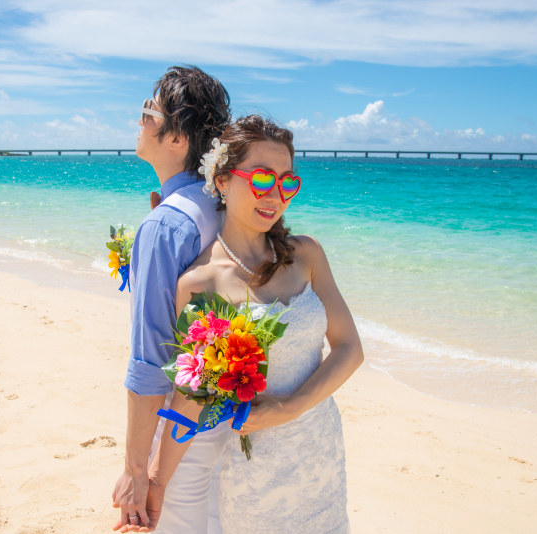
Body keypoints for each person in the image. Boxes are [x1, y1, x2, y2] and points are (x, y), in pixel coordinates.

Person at [150, 115, 364, 533]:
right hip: (253, 465)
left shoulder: (307, 254)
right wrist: (151, 479)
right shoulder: (199, 283)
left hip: (319, 444)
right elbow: (192, 395)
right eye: (263, 178)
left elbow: (349, 349)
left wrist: (292, 407)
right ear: (223, 180)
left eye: (288, 183)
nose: (276, 195)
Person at [111, 65, 231, 533]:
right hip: (222, 411)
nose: (139, 121)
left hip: (176, 425)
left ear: (178, 140)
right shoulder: (220, 204)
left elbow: (151, 359)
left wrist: (137, 470)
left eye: (147, 113)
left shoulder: (167, 224)